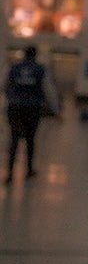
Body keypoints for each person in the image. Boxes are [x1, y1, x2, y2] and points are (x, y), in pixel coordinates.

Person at [5, 43, 50, 184]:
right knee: (31, 139)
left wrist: (10, 97)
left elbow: (3, 84)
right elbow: (48, 90)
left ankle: (10, 173)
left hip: (15, 107)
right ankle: (29, 170)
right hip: (33, 108)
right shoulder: (41, 69)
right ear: (35, 55)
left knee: (14, 139)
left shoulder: (13, 68)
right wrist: (55, 110)